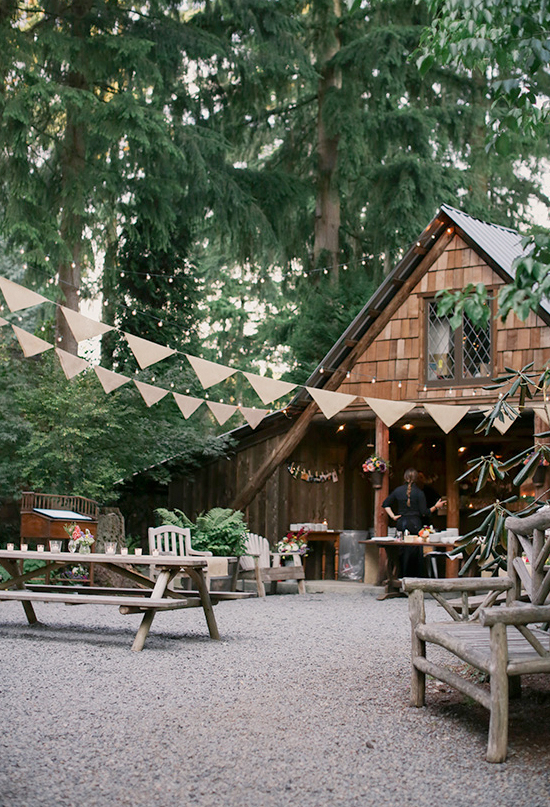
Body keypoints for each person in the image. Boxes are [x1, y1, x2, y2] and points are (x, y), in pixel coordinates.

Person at [382, 468, 445, 576]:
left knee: (401, 550)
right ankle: (414, 577)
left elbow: (385, 504)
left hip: (401, 523)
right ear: (416, 479)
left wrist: (393, 516)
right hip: (415, 524)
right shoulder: (419, 493)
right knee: (414, 551)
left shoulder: (398, 491)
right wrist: (436, 506)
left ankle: (400, 576)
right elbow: (425, 512)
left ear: (404, 478)